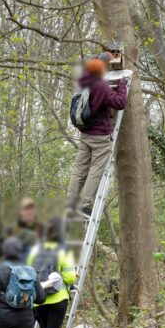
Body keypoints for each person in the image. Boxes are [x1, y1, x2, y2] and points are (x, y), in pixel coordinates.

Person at [66, 56, 129, 217]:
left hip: (85, 134)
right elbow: (120, 103)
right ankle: (86, 205)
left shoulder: (83, 82)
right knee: (95, 170)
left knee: (79, 170)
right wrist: (122, 85)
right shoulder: (101, 86)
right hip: (99, 137)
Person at [27, 217, 77, 328]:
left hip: (39, 298)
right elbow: (69, 277)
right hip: (58, 299)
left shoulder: (33, 251)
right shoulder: (63, 250)